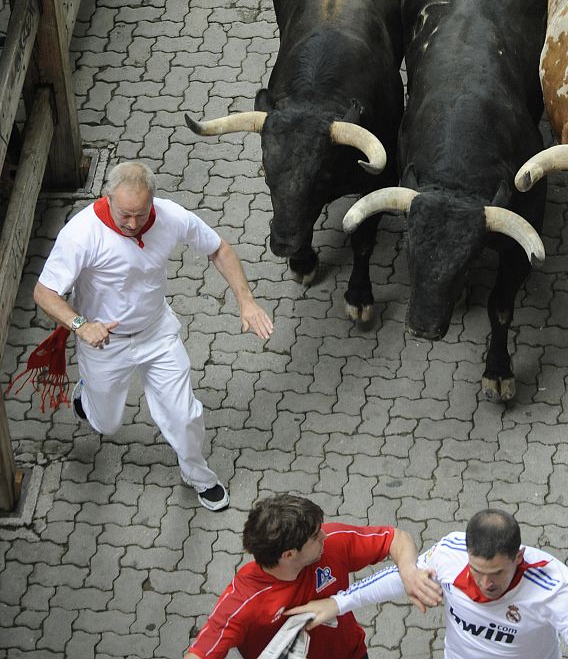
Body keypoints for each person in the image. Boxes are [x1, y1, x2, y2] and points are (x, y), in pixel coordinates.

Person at [33, 161, 273, 512]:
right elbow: (44, 292)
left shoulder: (171, 217)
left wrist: (246, 301)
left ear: (153, 202)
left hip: (157, 332)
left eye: (141, 214)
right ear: (108, 197)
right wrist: (81, 325)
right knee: (107, 423)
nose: (132, 224)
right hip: (105, 342)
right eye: (125, 215)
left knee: (184, 414)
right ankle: (85, 394)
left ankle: (197, 473)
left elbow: (218, 248)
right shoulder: (81, 233)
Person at [183, 493, 442, 659]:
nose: (324, 536)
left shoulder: (332, 543)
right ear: (288, 554)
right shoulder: (241, 601)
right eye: (315, 537)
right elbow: (199, 653)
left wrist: (408, 571)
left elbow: (396, 539)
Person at [287, 508, 568, 658]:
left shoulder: (553, 586)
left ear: (518, 557)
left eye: (496, 573)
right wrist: (337, 602)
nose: (485, 583)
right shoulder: (449, 553)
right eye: (476, 570)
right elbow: (400, 578)